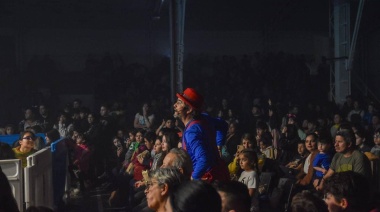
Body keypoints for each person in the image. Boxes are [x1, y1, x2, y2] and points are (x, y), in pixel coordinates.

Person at [173, 87, 229, 181]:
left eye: (179, 102)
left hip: (208, 180)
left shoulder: (192, 132)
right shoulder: (205, 118)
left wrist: (194, 179)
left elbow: (203, 159)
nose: (175, 105)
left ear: (189, 109)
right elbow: (223, 125)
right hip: (220, 173)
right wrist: (219, 145)